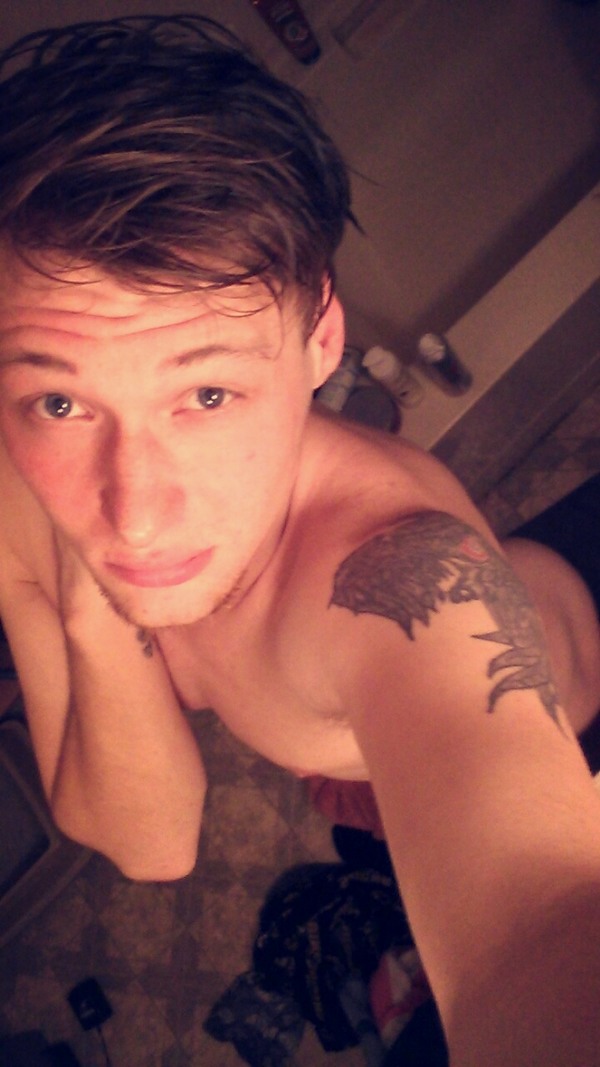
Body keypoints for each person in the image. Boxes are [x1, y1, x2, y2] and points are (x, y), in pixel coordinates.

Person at [0, 15, 599, 1065]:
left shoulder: (399, 579)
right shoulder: (29, 473)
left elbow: (534, 927)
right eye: (62, 402)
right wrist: (82, 590)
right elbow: (147, 833)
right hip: (361, 750)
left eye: (207, 392)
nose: (134, 513)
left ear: (321, 336)